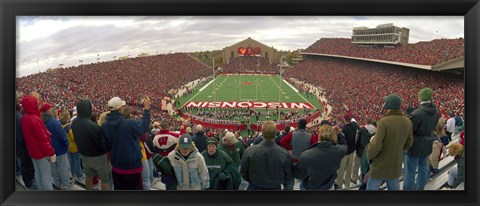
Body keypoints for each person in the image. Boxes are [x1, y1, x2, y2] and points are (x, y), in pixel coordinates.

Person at [101, 96, 151, 190]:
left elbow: (105, 146)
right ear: (120, 108)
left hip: (116, 166)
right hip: (133, 167)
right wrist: (146, 108)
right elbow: (145, 124)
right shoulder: (129, 124)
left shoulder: (104, 126)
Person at [366, 94, 413, 190]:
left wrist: (369, 156)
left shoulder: (383, 122)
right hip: (395, 163)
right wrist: (398, 150)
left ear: (388, 105)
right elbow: (409, 142)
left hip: (380, 163)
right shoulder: (407, 122)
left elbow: (376, 145)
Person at [241, 121, 294, 190]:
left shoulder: (250, 151)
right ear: (275, 134)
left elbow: (244, 173)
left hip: (254, 186)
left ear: (262, 133)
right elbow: (289, 178)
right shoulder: (284, 153)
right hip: (274, 187)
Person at [71, 99, 111, 190]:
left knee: (88, 177)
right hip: (98, 157)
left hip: (84, 155)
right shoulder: (93, 126)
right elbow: (101, 144)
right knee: (105, 180)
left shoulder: (74, 122)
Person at [403, 88, 439, 190]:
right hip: (427, 143)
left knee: (410, 171)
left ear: (420, 98)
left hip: (414, 145)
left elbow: (408, 130)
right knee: (423, 169)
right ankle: (420, 189)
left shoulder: (417, 113)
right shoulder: (436, 112)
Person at [295, 124, 347, 190]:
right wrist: (339, 133)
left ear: (319, 135)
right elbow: (344, 145)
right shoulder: (339, 151)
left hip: (310, 187)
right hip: (329, 186)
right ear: (333, 136)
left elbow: (299, 175)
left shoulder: (306, 154)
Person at [20, 95, 56, 190]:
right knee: (46, 177)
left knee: (38, 174)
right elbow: (43, 140)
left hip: (32, 151)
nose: (38, 104)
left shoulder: (24, 117)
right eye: (36, 103)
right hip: (41, 153)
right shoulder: (34, 119)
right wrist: (51, 153)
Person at [40, 103, 72, 190]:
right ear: (48, 110)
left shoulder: (41, 121)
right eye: (50, 108)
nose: (52, 109)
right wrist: (66, 144)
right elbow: (62, 135)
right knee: (63, 167)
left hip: (49, 149)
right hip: (59, 148)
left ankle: (57, 182)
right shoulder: (54, 121)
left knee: (53, 167)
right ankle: (66, 183)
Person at [15, 91, 36, 190]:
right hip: (21, 145)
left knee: (26, 163)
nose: (19, 101)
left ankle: (29, 180)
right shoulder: (16, 116)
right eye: (17, 99)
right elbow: (19, 135)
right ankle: (28, 183)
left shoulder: (17, 113)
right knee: (25, 163)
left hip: (22, 144)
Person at [59, 110, 85, 182]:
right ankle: (79, 175)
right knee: (76, 160)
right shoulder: (68, 126)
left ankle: (72, 173)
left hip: (67, 145)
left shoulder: (60, 124)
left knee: (71, 160)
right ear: (67, 117)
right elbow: (73, 138)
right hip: (73, 146)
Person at [336, 113, 358, 188]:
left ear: (345, 119)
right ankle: (347, 185)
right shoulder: (354, 125)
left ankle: (339, 185)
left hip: (345, 152)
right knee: (349, 169)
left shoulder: (344, 128)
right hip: (352, 151)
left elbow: (342, 140)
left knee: (341, 170)